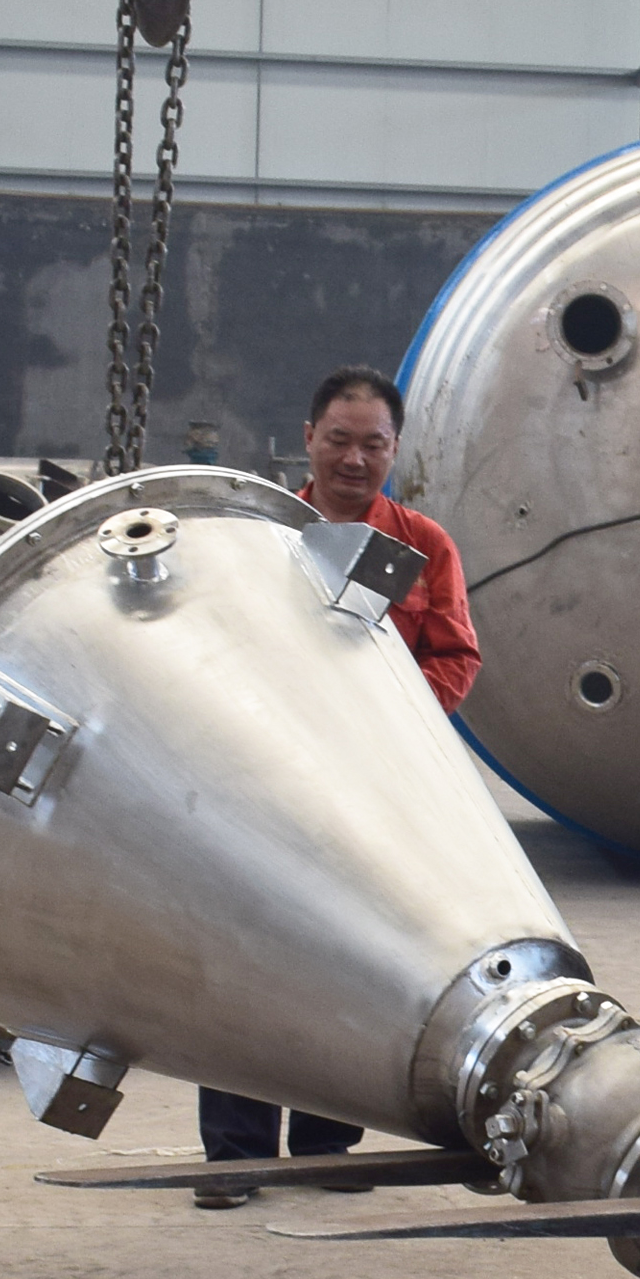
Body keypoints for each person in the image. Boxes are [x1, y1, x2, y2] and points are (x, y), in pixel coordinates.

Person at [194, 365, 483, 1209]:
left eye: (374, 444)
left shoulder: (425, 546)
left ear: (395, 450)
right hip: (264, 783)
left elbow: (456, 655)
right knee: (245, 959)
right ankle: (236, 1156)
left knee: (355, 958)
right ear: (309, 439)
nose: (355, 459)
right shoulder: (259, 539)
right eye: (339, 440)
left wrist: (380, 720)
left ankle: (328, 1144)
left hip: (377, 789)